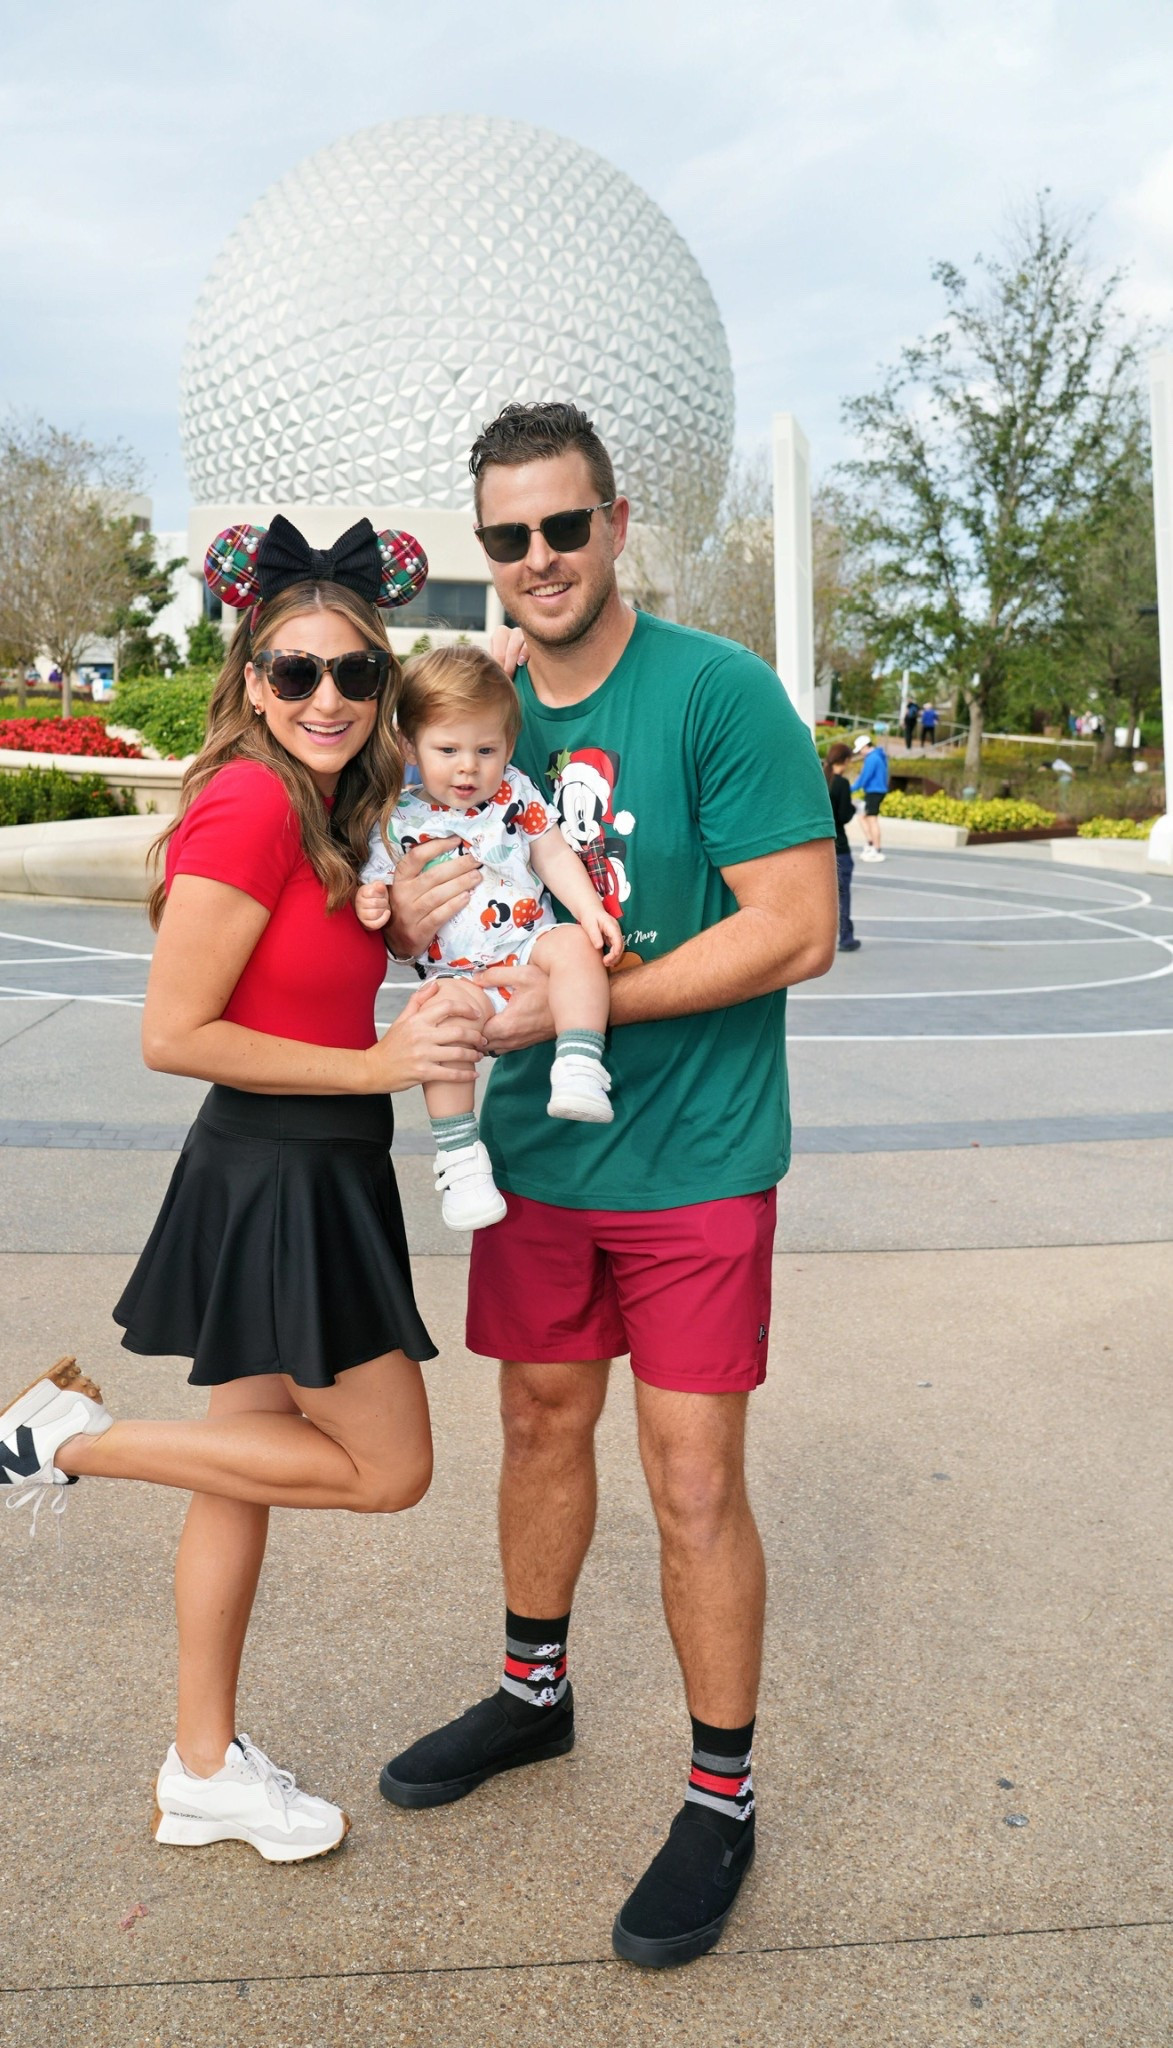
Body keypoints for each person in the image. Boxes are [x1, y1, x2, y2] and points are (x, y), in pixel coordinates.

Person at [0, 514, 487, 1865]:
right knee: (387, 1470)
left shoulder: (320, 811)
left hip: (295, 1168)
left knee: (239, 1476)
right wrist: (377, 1063)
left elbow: (288, 970)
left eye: (356, 675)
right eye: (295, 672)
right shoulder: (247, 800)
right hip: (284, 1174)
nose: (328, 699)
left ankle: (201, 1767)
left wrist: (392, 931)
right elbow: (172, 1034)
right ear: (250, 676)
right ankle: (63, 1441)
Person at [377, 402, 837, 1969]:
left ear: (618, 521)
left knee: (694, 1479)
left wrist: (587, 1001)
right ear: (481, 548)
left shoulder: (717, 693)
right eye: (506, 538)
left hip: (696, 1162)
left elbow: (795, 925)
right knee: (535, 1422)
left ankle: (720, 1796)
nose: (537, 561)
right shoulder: (464, 711)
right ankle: (533, 1696)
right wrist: (411, 928)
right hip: (537, 1165)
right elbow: (398, 896)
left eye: (562, 528)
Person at [356, 645, 624, 1230]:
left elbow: (552, 854)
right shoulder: (397, 820)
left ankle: (579, 1062)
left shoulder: (516, 794)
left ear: (508, 745)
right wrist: (371, 900)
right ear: (410, 747)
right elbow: (377, 885)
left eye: (486, 750)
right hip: (458, 976)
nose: (468, 768)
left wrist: (589, 912)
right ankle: (460, 1160)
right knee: (440, 1023)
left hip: (528, 942)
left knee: (576, 948)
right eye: (447, 750)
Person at [824, 742, 860, 951]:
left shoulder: (821, 779)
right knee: (843, 895)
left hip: (820, 847)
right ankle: (845, 937)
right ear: (845, 760)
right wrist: (853, 808)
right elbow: (844, 815)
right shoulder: (841, 784)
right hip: (840, 846)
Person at [852, 732, 889, 860]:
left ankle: (876, 848)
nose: (860, 753)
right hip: (877, 791)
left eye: (860, 750)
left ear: (865, 747)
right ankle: (871, 844)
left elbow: (864, 777)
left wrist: (850, 789)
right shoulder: (878, 756)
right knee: (864, 816)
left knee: (871, 819)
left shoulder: (872, 758)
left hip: (874, 792)